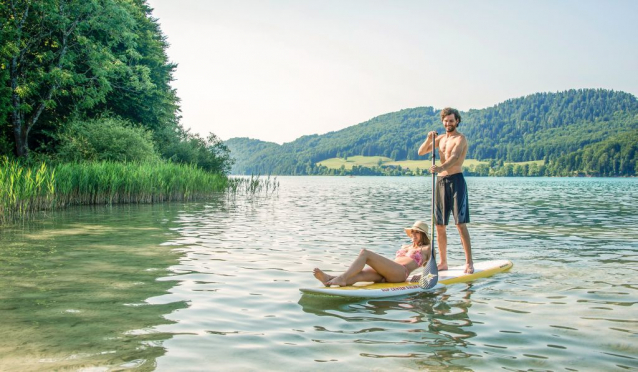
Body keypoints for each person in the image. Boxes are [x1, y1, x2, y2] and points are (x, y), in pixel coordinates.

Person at [418, 107, 474, 274]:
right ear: (443, 122)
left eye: (451, 120)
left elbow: (455, 157)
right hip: (441, 182)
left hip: (456, 181)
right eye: (446, 121)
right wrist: (429, 139)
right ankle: (443, 262)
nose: (448, 123)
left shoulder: (460, 138)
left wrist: (440, 167)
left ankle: (469, 262)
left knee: (460, 224)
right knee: (440, 225)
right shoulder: (440, 138)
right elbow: (421, 152)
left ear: (457, 121)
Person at [313, 221, 432, 286]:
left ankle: (342, 279)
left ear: (424, 235)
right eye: (413, 232)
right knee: (358, 276)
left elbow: (431, 267)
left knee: (365, 253)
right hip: (389, 271)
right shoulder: (405, 246)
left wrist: (422, 276)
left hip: (400, 273)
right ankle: (329, 279)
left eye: (418, 232)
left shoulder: (427, 249)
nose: (414, 234)